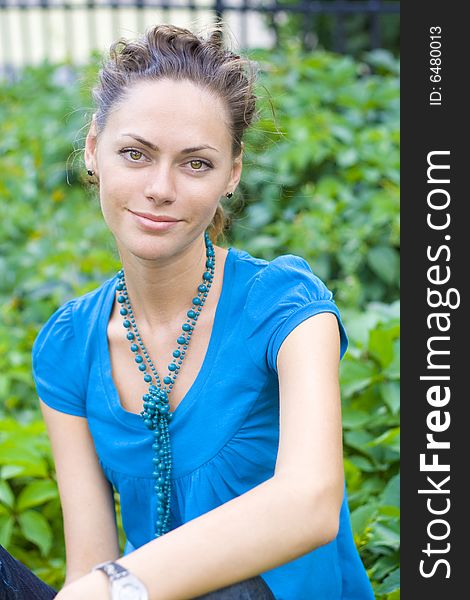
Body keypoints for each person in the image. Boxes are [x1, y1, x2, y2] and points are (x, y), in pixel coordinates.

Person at [0, 24, 375, 600]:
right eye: (135, 154)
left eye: (195, 164)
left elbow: (311, 504)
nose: (160, 188)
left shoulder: (286, 308)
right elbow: (89, 566)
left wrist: (112, 587)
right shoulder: (69, 343)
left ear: (233, 172)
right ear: (93, 150)